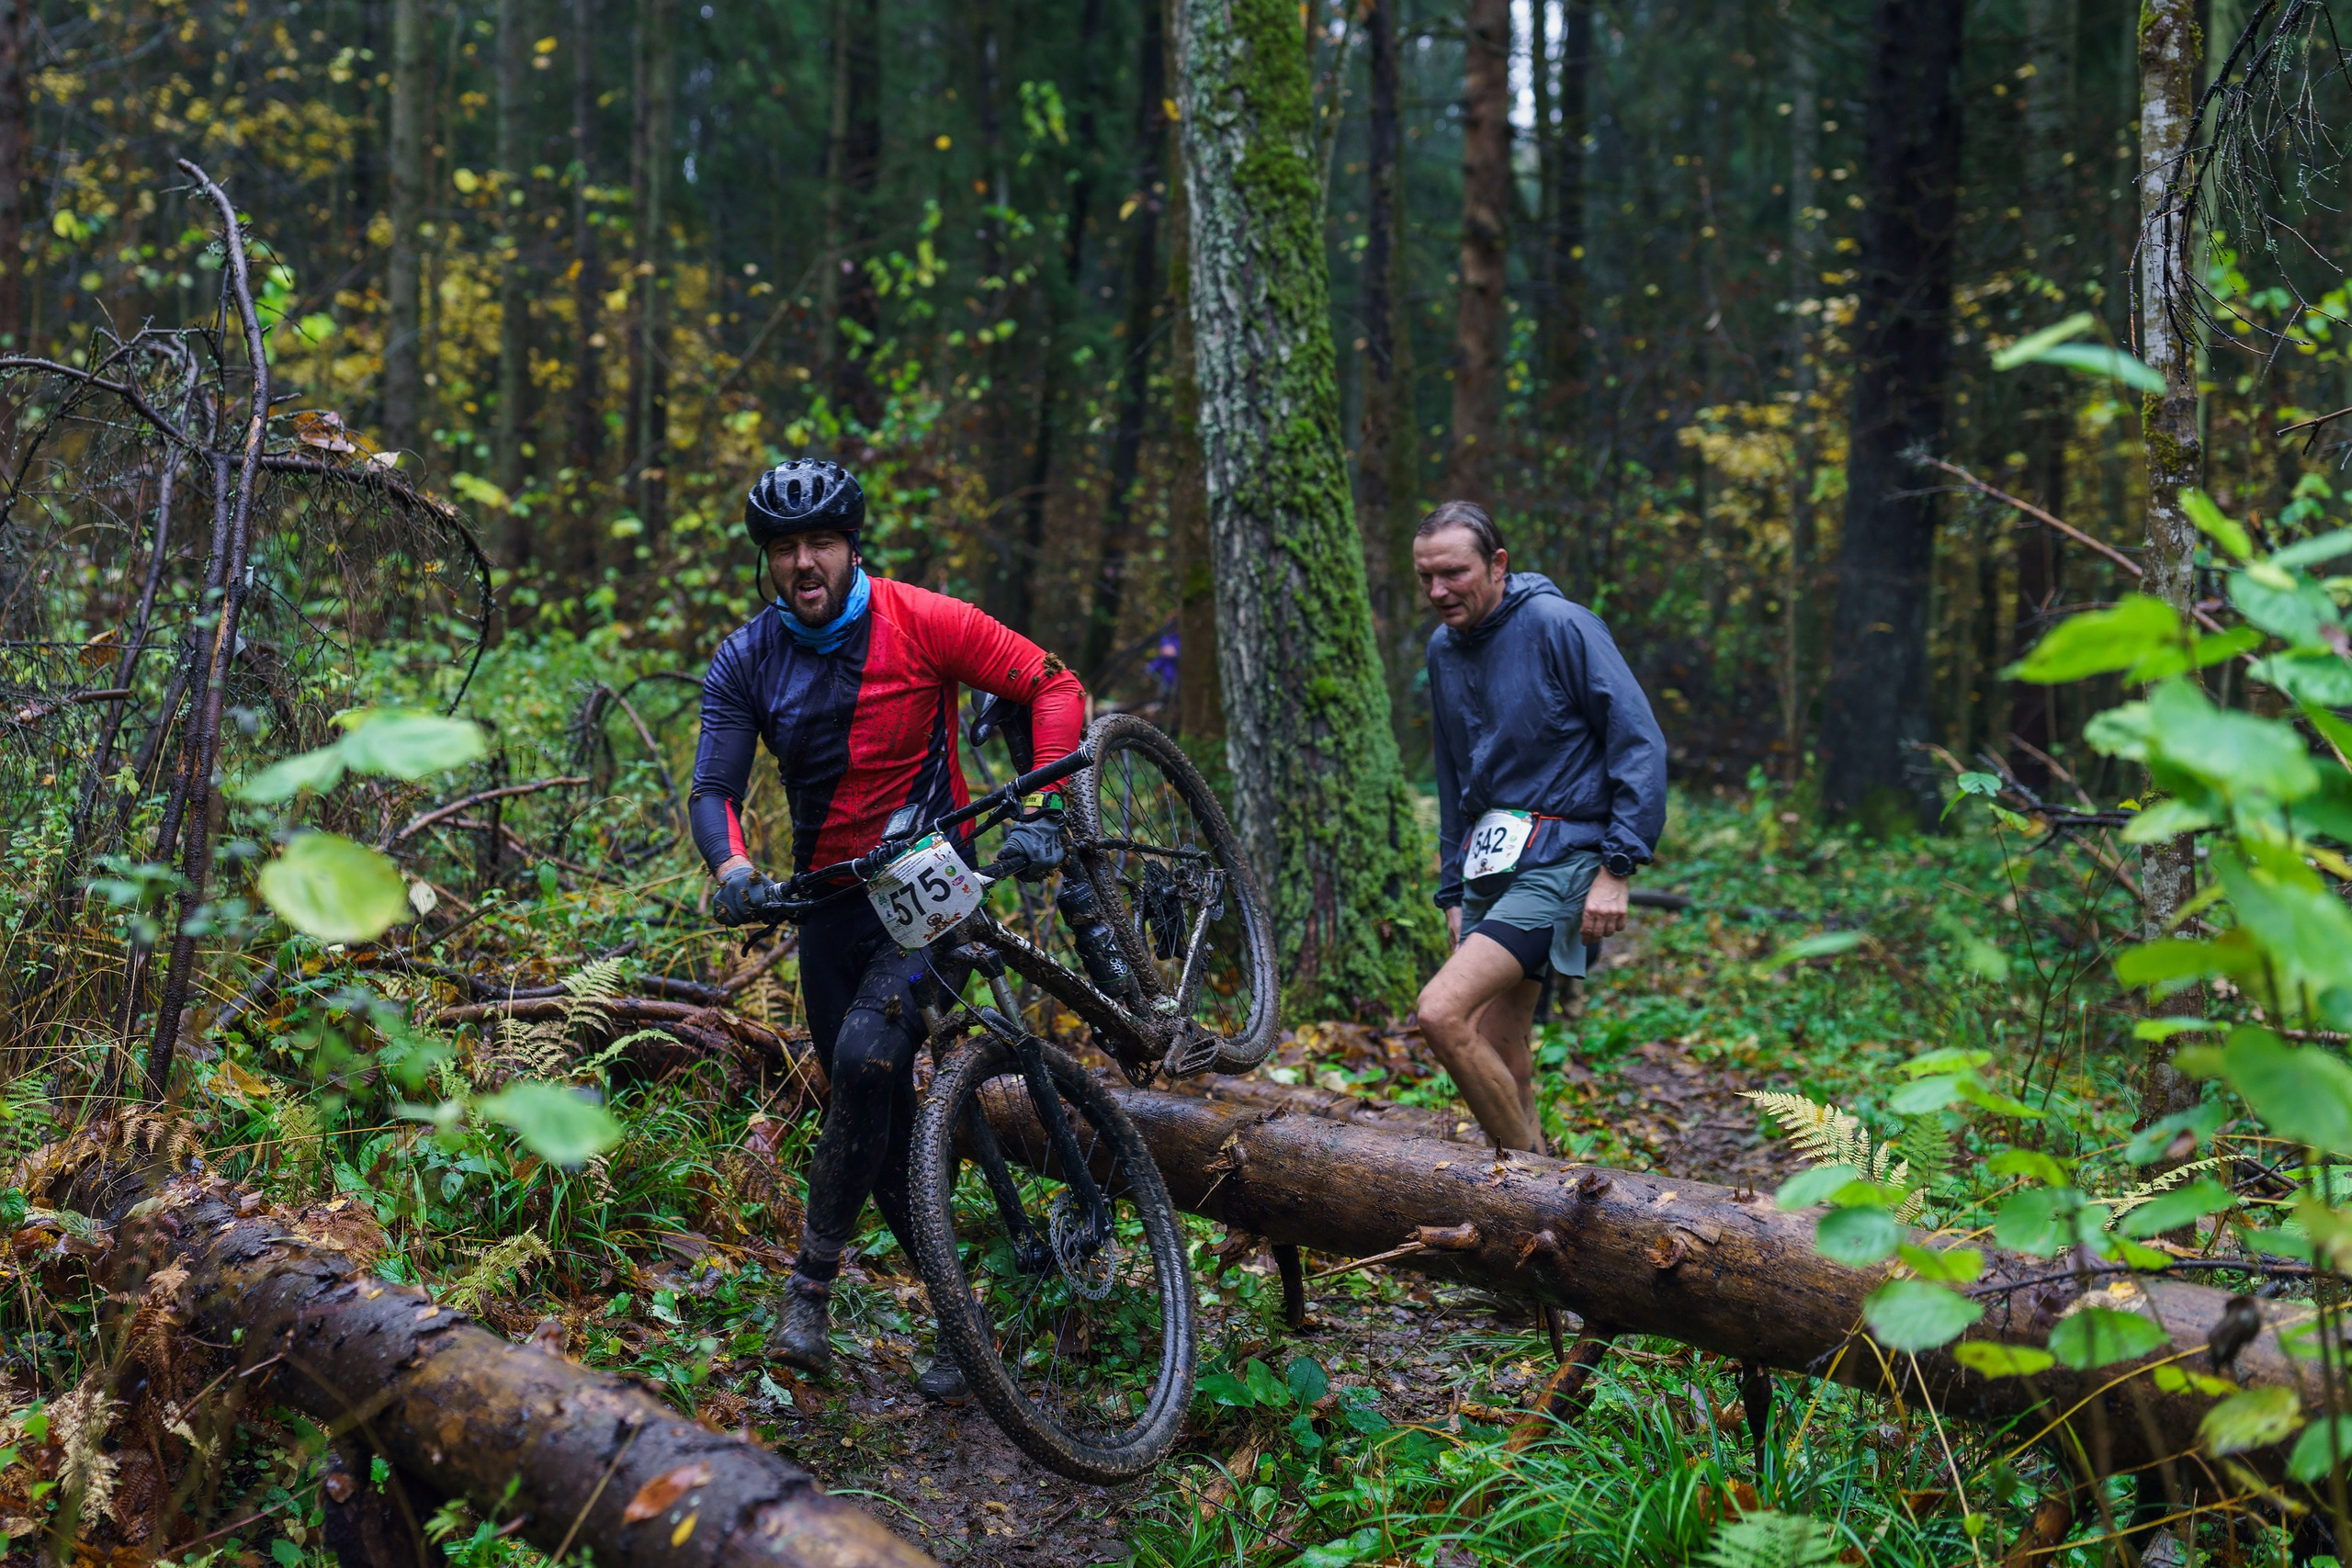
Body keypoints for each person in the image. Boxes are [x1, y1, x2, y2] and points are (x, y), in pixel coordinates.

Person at [690, 457, 1087, 1400]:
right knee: (871, 1112)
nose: (803, 563)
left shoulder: (921, 619)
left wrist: (1048, 809)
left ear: (850, 546)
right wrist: (734, 871)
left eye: (819, 542)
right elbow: (715, 790)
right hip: (831, 907)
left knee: (867, 1059)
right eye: (784, 548)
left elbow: (1052, 684)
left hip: (933, 888)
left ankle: (808, 1293)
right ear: (768, 562)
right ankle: (963, 1319)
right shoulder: (747, 659)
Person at [1414, 501, 1668, 1152]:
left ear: (1497, 564)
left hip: (1562, 859)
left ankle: (1524, 1193)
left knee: (1441, 1012)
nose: (1438, 591)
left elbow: (1638, 741)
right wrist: (1451, 890)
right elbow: (1452, 778)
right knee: (1505, 1050)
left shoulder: (1561, 625)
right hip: (1488, 867)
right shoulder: (1443, 649)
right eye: (1425, 577)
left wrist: (1618, 867)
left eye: (1453, 572)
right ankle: (1540, 1217)